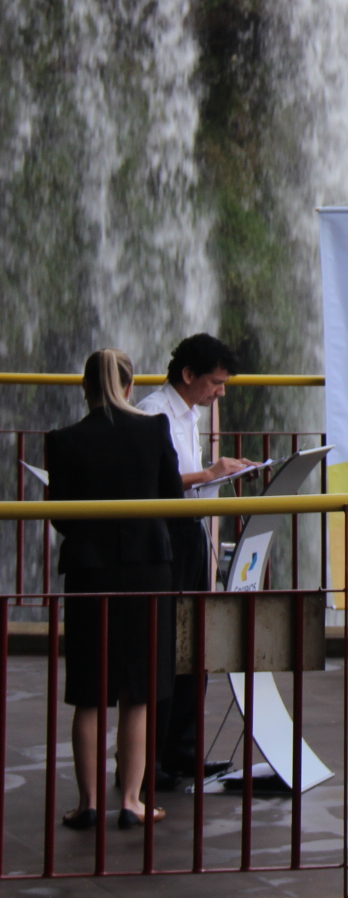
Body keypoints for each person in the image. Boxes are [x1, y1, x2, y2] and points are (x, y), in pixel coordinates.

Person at [44, 348, 184, 830]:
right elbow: (173, 498)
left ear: (84, 389)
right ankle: (131, 801)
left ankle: (87, 804)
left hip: (90, 572)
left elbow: (61, 516)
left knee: (88, 691)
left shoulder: (63, 441)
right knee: (138, 691)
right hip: (148, 569)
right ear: (129, 388)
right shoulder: (153, 430)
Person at [138, 333, 248, 788]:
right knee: (166, 644)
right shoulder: (152, 414)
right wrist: (210, 473)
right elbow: (151, 484)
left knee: (194, 643)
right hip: (166, 534)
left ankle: (182, 751)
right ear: (189, 376)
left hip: (191, 532)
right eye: (216, 382)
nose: (220, 392)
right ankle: (153, 760)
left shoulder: (188, 414)